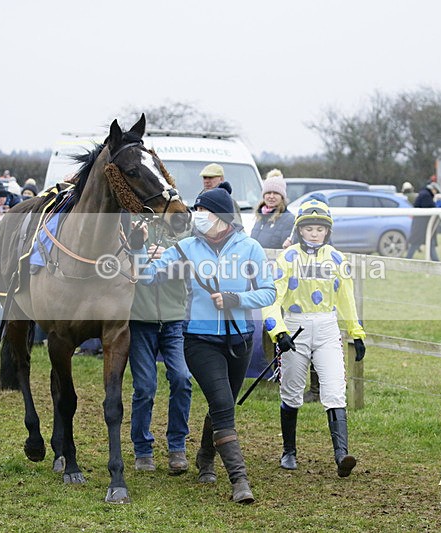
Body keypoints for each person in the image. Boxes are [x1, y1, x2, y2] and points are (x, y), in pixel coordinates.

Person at [131, 181, 275, 504]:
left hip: (240, 341)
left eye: (203, 210)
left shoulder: (249, 247)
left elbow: (268, 291)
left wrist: (236, 298)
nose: (197, 216)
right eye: (196, 210)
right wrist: (139, 246)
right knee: (224, 406)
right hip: (199, 341)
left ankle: (206, 456)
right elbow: (146, 275)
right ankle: (240, 481)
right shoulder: (186, 248)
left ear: (222, 217)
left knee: (221, 403)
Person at [262, 197, 366, 477]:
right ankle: (289, 451)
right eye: (309, 229)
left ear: (328, 231)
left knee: (334, 388)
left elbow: (346, 299)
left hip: (327, 326)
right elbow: (272, 298)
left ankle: (341, 455)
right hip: (295, 327)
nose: (315, 234)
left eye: (320, 229)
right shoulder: (287, 258)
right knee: (292, 391)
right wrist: (279, 331)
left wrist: (356, 333)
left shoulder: (336, 259)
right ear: (299, 230)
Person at [128, 219, 192, 475]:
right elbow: (130, 271)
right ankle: (142, 449)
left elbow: (193, 267)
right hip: (139, 322)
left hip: (173, 321)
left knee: (182, 378)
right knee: (144, 387)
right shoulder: (132, 225)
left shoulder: (183, 229)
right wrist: (140, 247)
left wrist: (166, 256)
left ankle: (177, 446)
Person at [250, 169, 295, 249]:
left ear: (282, 197)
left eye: (276, 193)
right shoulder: (260, 217)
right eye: (268, 193)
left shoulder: (288, 219)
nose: (271, 196)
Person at [405, 182, 440, 261]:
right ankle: (436, 261)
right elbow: (430, 208)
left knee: (423, 243)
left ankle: (436, 260)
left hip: (422, 224)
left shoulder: (424, 194)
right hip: (422, 225)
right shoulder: (426, 195)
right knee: (420, 243)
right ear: (433, 189)